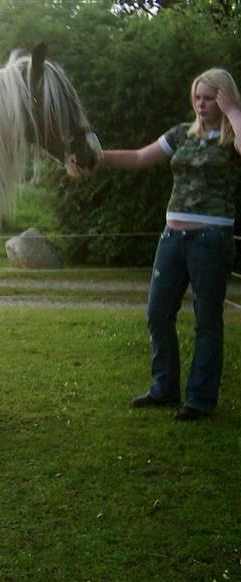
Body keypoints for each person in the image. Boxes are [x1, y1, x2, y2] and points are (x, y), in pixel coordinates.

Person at [100, 68, 241, 421]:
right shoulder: (181, 134)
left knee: (207, 320)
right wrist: (95, 158)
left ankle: (199, 399)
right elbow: (138, 157)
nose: (201, 104)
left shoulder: (232, 135)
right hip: (172, 238)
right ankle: (163, 388)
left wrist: (235, 110)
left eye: (210, 97)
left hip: (211, 239)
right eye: (197, 96)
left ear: (223, 98)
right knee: (157, 312)